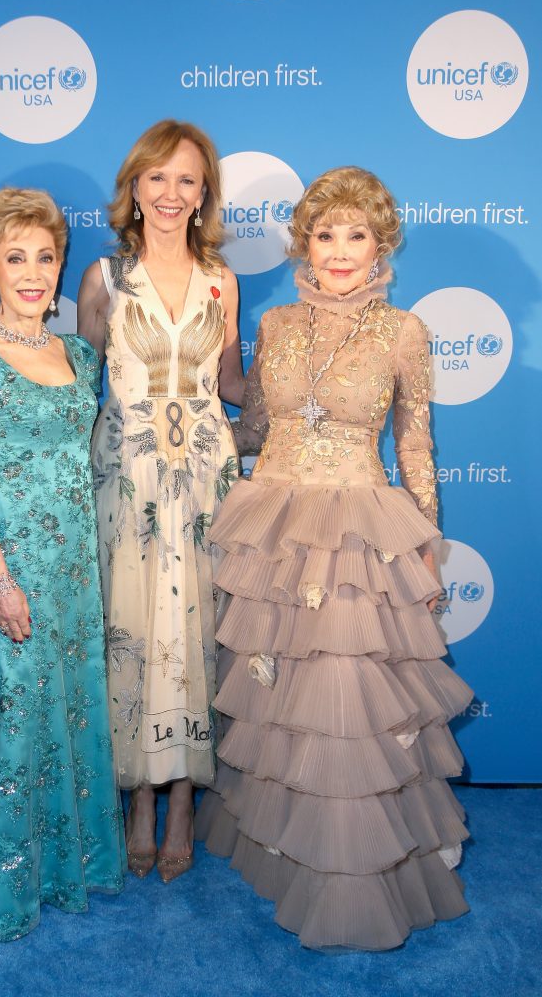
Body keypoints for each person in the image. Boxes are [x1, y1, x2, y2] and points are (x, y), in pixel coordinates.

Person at [195, 166, 473, 950]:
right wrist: (216, 382)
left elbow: (414, 442)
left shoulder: (403, 331)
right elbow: (255, 426)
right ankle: (282, 853)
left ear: (381, 244)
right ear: (303, 244)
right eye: (325, 234)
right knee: (276, 696)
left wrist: (422, 549)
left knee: (348, 707)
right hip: (275, 520)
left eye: (357, 235)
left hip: (354, 530)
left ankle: (353, 874)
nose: (340, 250)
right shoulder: (277, 324)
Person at [0, 187, 126, 941]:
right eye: (16, 258)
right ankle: (0, 877)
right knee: (17, 705)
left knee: (71, 705)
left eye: (45, 257)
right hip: (16, 562)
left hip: (76, 562)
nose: (34, 273)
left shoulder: (77, 353)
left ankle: (60, 864)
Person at [78, 120, 244, 882]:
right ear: (134, 188)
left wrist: (307, 402)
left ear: (202, 190)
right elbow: (79, 390)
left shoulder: (222, 281)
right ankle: (138, 797)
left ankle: (183, 798)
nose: (171, 193)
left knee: (198, 632)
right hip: (128, 479)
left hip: (207, 478)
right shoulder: (103, 279)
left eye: (186, 179)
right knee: (134, 634)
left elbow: (234, 385)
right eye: (157, 178)